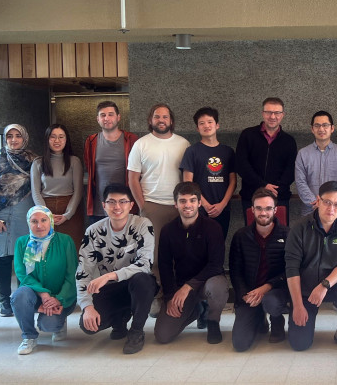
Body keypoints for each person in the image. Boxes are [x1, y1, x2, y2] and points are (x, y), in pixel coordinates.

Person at [76, 184, 158, 354]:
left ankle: (136, 331)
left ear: (131, 205)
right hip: (112, 289)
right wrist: (87, 307)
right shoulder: (93, 231)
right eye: (111, 202)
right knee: (88, 325)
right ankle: (119, 320)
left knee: (143, 280)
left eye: (122, 202)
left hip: (139, 285)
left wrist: (109, 276)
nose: (117, 207)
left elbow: (145, 264)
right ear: (103, 205)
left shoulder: (143, 224)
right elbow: (83, 271)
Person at [285, 181, 337, 351]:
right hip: (305, 291)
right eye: (327, 202)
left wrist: (325, 285)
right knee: (299, 344)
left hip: (331, 285)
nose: (331, 208)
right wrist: (297, 305)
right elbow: (291, 267)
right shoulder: (299, 228)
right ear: (318, 200)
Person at [127, 103, 190, 313]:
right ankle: (158, 296)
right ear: (150, 120)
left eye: (165, 116)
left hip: (180, 207)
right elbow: (133, 178)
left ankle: (180, 296)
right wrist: (143, 206)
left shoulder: (183, 143)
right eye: (157, 117)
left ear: (171, 120)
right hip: (152, 205)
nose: (161, 120)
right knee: (153, 254)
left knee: (180, 253)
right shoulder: (141, 144)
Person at [154, 182, 228, 345]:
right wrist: (169, 297)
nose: (188, 205)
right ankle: (194, 311)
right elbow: (165, 266)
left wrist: (189, 286)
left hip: (208, 282)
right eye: (182, 201)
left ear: (199, 203)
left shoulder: (213, 227)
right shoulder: (168, 230)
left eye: (192, 200)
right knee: (163, 335)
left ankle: (213, 322)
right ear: (175, 204)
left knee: (218, 287)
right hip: (181, 287)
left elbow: (216, 265)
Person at [0, 123, 37, 317]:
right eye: (9, 136)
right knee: (3, 258)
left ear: (24, 138)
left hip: (26, 216)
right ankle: (5, 302)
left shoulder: (34, 160)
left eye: (17, 136)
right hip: (1, 215)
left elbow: (40, 188)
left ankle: (23, 298)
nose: (13, 140)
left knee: (27, 259)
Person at [11, 206, 78, 355]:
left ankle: (60, 320)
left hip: (61, 297)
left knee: (48, 325)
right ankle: (29, 337)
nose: (39, 226)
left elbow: (72, 274)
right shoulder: (24, 243)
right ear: (28, 223)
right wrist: (43, 295)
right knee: (19, 296)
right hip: (36, 295)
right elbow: (23, 275)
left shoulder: (65, 241)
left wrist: (58, 299)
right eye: (34, 221)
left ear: (51, 221)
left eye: (43, 220)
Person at [229, 188, 290, 351]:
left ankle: (276, 322)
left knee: (270, 301)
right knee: (239, 345)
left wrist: (267, 287)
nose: (263, 213)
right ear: (252, 209)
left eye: (268, 208)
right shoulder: (240, 236)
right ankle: (258, 317)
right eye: (259, 208)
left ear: (275, 210)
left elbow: (291, 270)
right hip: (250, 293)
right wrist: (244, 294)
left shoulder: (288, 235)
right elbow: (235, 271)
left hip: (275, 291)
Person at [180, 107, 236, 239]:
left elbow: (233, 181)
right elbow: (188, 182)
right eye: (202, 123)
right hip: (199, 209)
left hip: (223, 209)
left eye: (210, 122)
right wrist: (204, 205)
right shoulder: (192, 151)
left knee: (219, 246)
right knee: (198, 247)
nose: (206, 125)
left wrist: (222, 205)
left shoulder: (228, 151)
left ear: (217, 125)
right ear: (197, 128)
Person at [236, 97, 298, 215]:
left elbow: (291, 170)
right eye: (268, 112)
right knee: (251, 232)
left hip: (279, 197)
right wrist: (263, 185)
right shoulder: (248, 135)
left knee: (280, 232)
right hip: (251, 196)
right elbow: (241, 165)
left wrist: (274, 189)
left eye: (277, 113)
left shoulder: (289, 141)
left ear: (283, 115)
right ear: (263, 114)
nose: (273, 116)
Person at [30, 124, 84, 254]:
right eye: (53, 137)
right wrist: (45, 214)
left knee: (71, 251)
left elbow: (78, 191)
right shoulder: (38, 163)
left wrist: (67, 215)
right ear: (47, 139)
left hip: (70, 211)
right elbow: (35, 191)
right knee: (45, 252)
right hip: (44, 209)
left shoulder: (74, 161)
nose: (57, 141)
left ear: (66, 140)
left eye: (61, 137)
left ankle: (71, 275)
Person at [84, 101, 138, 225]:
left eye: (110, 114)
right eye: (103, 115)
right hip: (99, 206)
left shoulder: (131, 140)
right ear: (97, 119)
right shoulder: (91, 141)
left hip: (124, 206)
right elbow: (89, 166)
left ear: (118, 117)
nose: (106, 118)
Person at [295, 111, 337, 217]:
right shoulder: (303, 154)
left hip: (335, 211)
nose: (321, 129)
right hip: (310, 210)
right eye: (317, 126)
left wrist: (329, 204)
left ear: (332, 128)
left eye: (325, 125)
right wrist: (316, 202)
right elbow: (300, 182)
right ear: (312, 129)